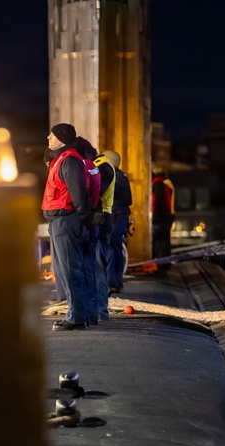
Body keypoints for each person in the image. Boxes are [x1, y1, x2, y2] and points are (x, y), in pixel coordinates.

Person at [42, 123, 93, 331]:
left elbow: (79, 194)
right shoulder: (62, 160)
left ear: (62, 138)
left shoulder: (69, 161)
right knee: (68, 269)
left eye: (52, 135)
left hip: (66, 221)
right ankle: (78, 314)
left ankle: (76, 317)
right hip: (61, 221)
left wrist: (82, 218)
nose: (48, 138)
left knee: (71, 270)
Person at [73, 137, 104, 325]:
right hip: (92, 219)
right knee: (90, 268)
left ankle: (82, 313)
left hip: (82, 220)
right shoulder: (94, 166)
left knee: (79, 269)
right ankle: (92, 313)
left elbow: (80, 192)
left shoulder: (82, 165)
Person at [90, 148, 117, 320]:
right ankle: (97, 310)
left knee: (98, 265)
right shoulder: (101, 165)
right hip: (100, 217)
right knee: (96, 264)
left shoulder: (103, 166)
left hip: (100, 218)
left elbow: (98, 191)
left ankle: (101, 311)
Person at [103, 150, 132, 292]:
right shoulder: (122, 176)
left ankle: (109, 283)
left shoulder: (113, 176)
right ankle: (116, 282)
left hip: (114, 217)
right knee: (116, 248)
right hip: (120, 217)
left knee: (109, 248)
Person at [151, 170, 175, 258]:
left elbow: (158, 200)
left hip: (160, 216)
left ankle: (159, 263)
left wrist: (155, 215)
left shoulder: (157, 183)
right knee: (164, 241)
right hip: (166, 214)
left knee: (158, 240)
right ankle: (164, 262)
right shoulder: (165, 182)